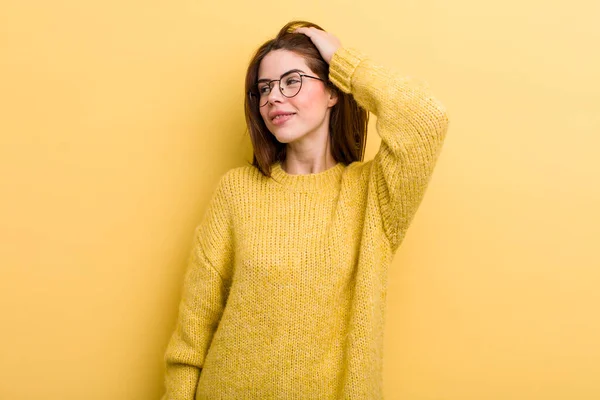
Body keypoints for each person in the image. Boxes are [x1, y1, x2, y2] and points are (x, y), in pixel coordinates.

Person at [161, 20, 449, 399]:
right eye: (263, 89)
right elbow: (193, 331)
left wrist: (345, 62)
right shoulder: (237, 191)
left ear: (332, 91)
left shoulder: (373, 195)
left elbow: (425, 120)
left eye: (291, 81)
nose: (273, 98)